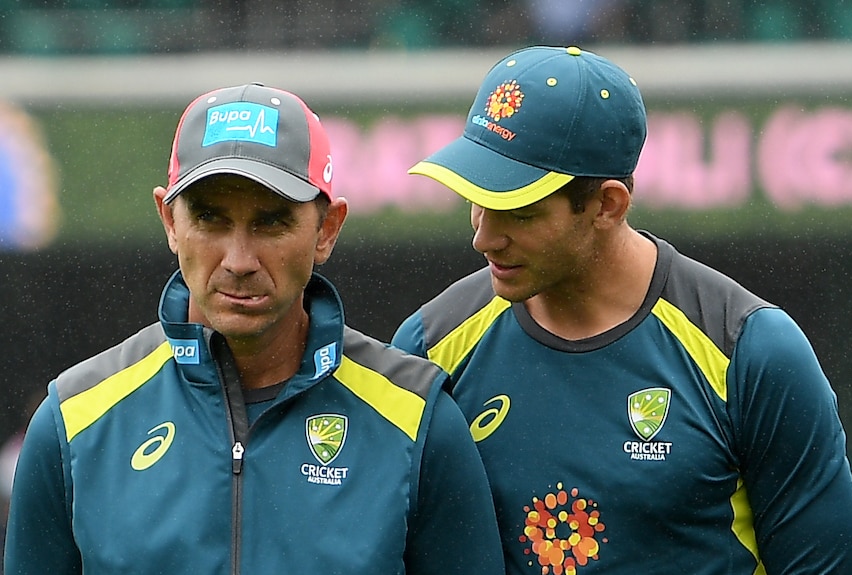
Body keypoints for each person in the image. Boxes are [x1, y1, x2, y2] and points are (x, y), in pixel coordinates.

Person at [392, 46, 852, 574]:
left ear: (607, 205)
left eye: (517, 213)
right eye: (475, 198)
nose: (484, 236)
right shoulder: (428, 348)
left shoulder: (750, 350)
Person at [4, 83, 505, 575]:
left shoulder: (420, 424)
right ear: (169, 222)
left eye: (271, 223)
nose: (239, 261)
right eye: (209, 219)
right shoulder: (72, 424)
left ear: (328, 228)